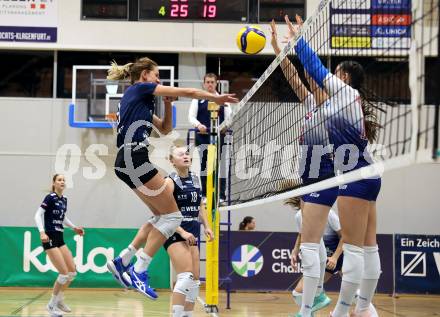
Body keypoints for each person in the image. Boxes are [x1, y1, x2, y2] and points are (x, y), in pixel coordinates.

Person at [105, 57, 238, 300]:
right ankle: (139, 269)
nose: (159, 80)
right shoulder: (141, 88)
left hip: (125, 163)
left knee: (160, 215)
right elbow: (187, 90)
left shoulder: (139, 100)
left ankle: (122, 260)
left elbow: (165, 129)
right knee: (173, 215)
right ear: (145, 75)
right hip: (135, 159)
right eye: (156, 75)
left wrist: (167, 104)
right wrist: (215, 98)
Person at [287, 15, 381, 317]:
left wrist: (299, 41)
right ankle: (364, 308)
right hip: (368, 173)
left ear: (345, 78)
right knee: (369, 247)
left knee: (355, 249)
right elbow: (310, 82)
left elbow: (316, 71)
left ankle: (343, 312)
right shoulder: (338, 103)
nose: (332, 77)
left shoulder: (345, 94)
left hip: (353, 176)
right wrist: (285, 51)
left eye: (336, 74)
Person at [271, 19, 338, 317]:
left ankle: (307, 309)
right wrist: (277, 50)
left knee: (310, 245)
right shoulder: (312, 102)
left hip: (324, 174)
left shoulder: (336, 106)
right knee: (313, 239)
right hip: (309, 172)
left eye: (316, 81)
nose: (312, 83)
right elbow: (293, 76)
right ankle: (319, 295)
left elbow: (310, 74)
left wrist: (301, 40)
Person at [117, 146, 214, 317]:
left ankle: (187, 315)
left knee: (195, 282)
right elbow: (164, 214)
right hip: (175, 233)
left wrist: (207, 226)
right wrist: (182, 232)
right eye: (180, 154)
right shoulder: (169, 181)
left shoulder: (197, 179)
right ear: (172, 161)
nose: (185, 156)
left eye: (186, 153)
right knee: (186, 277)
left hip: (194, 232)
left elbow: (200, 205)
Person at [34, 174, 85, 315]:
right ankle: (51, 305)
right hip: (49, 237)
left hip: (59, 237)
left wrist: (74, 227)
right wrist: (41, 232)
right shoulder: (50, 197)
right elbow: (38, 215)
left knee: (72, 272)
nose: (62, 182)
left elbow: (63, 217)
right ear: (54, 183)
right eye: (59, 180)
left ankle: (60, 299)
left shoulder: (64, 200)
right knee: (63, 274)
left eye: (63, 180)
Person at [188, 73, 232, 202]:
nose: (210, 84)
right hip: (203, 136)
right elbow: (191, 117)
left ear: (216, 83)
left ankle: (221, 196)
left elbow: (229, 118)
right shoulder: (197, 99)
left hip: (219, 136)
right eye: (207, 82)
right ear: (204, 83)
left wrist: (222, 126)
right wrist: (198, 125)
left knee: (221, 165)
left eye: (212, 82)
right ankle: (206, 194)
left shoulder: (223, 99)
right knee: (204, 165)